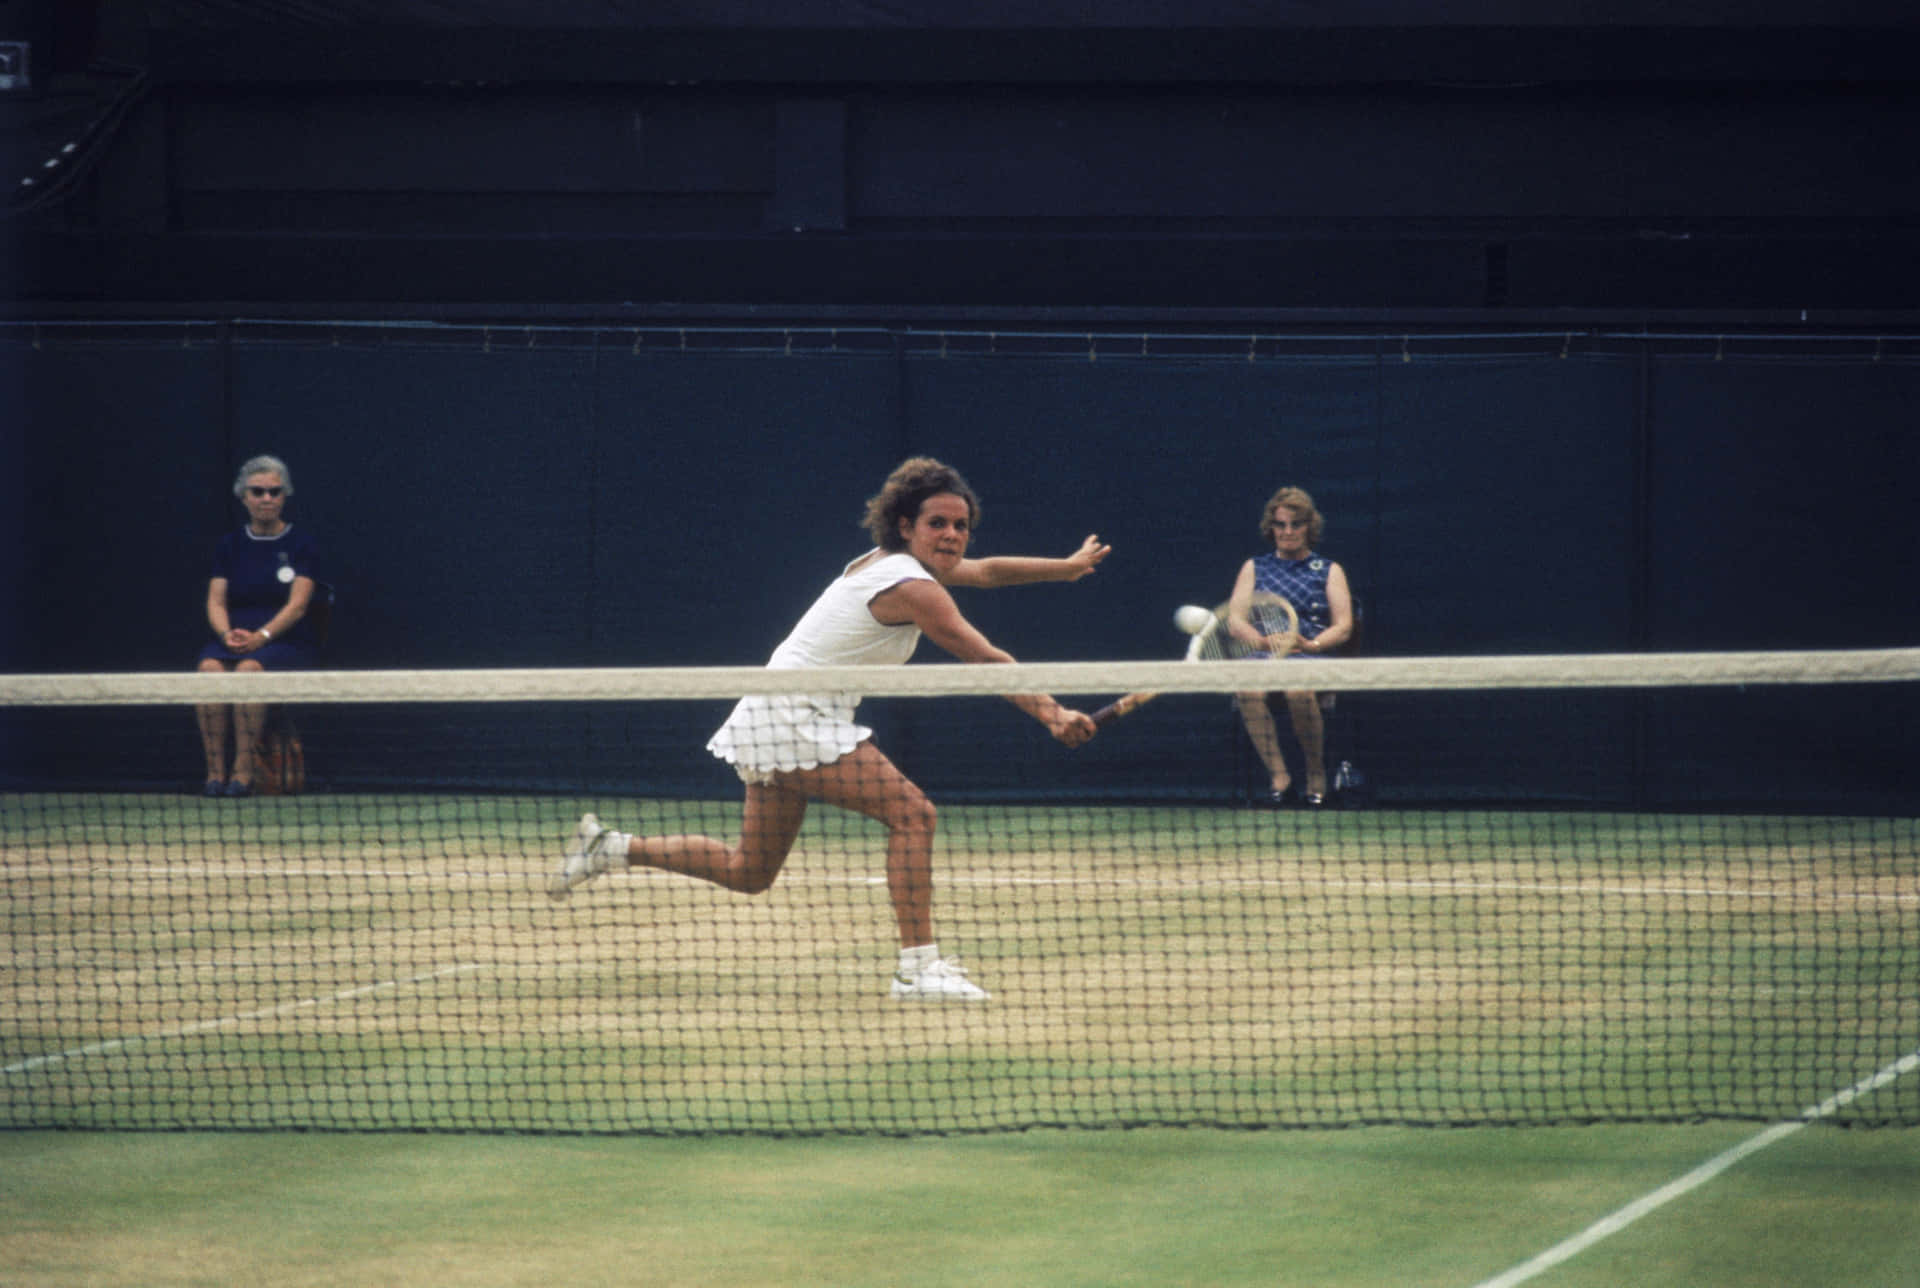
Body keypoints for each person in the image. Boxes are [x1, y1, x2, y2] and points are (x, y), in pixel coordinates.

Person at [547, 456, 1110, 1002]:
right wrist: (1052, 712)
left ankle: (610, 848)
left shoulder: (894, 564)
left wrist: (1065, 567)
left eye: (961, 525)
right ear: (905, 527)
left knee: (750, 871)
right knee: (913, 815)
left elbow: (986, 572)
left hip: (774, 713)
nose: (952, 535)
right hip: (794, 718)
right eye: (937, 523)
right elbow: (986, 659)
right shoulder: (911, 586)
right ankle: (918, 970)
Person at [194, 454, 322, 797]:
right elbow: (216, 601)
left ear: (284, 496)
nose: (267, 499)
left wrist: (262, 636)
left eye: (275, 492)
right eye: (258, 492)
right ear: (244, 496)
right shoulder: (230, 545)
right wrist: (225, 634)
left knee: (249, 670)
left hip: (284, 642)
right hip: (233, 637)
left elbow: (297, 606)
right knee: (209, 669)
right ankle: (214, 774)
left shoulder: (302, 544)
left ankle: (243, 772)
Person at [1226, 485, 1353, 807]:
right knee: (1247, 690)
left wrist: (1311, 644)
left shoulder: (1329, 570)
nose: (1288, 532)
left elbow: (1343, 626)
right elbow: (1235, 621)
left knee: (1298, 690)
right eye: (1281, 524)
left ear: (1309, 527)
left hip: (1310, 656)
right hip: (1263, 656)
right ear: (1271, 527)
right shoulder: (1254, 567)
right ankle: (1280, 778)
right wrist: (1263, 641)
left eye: (1296, 524)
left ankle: (1315, 774)